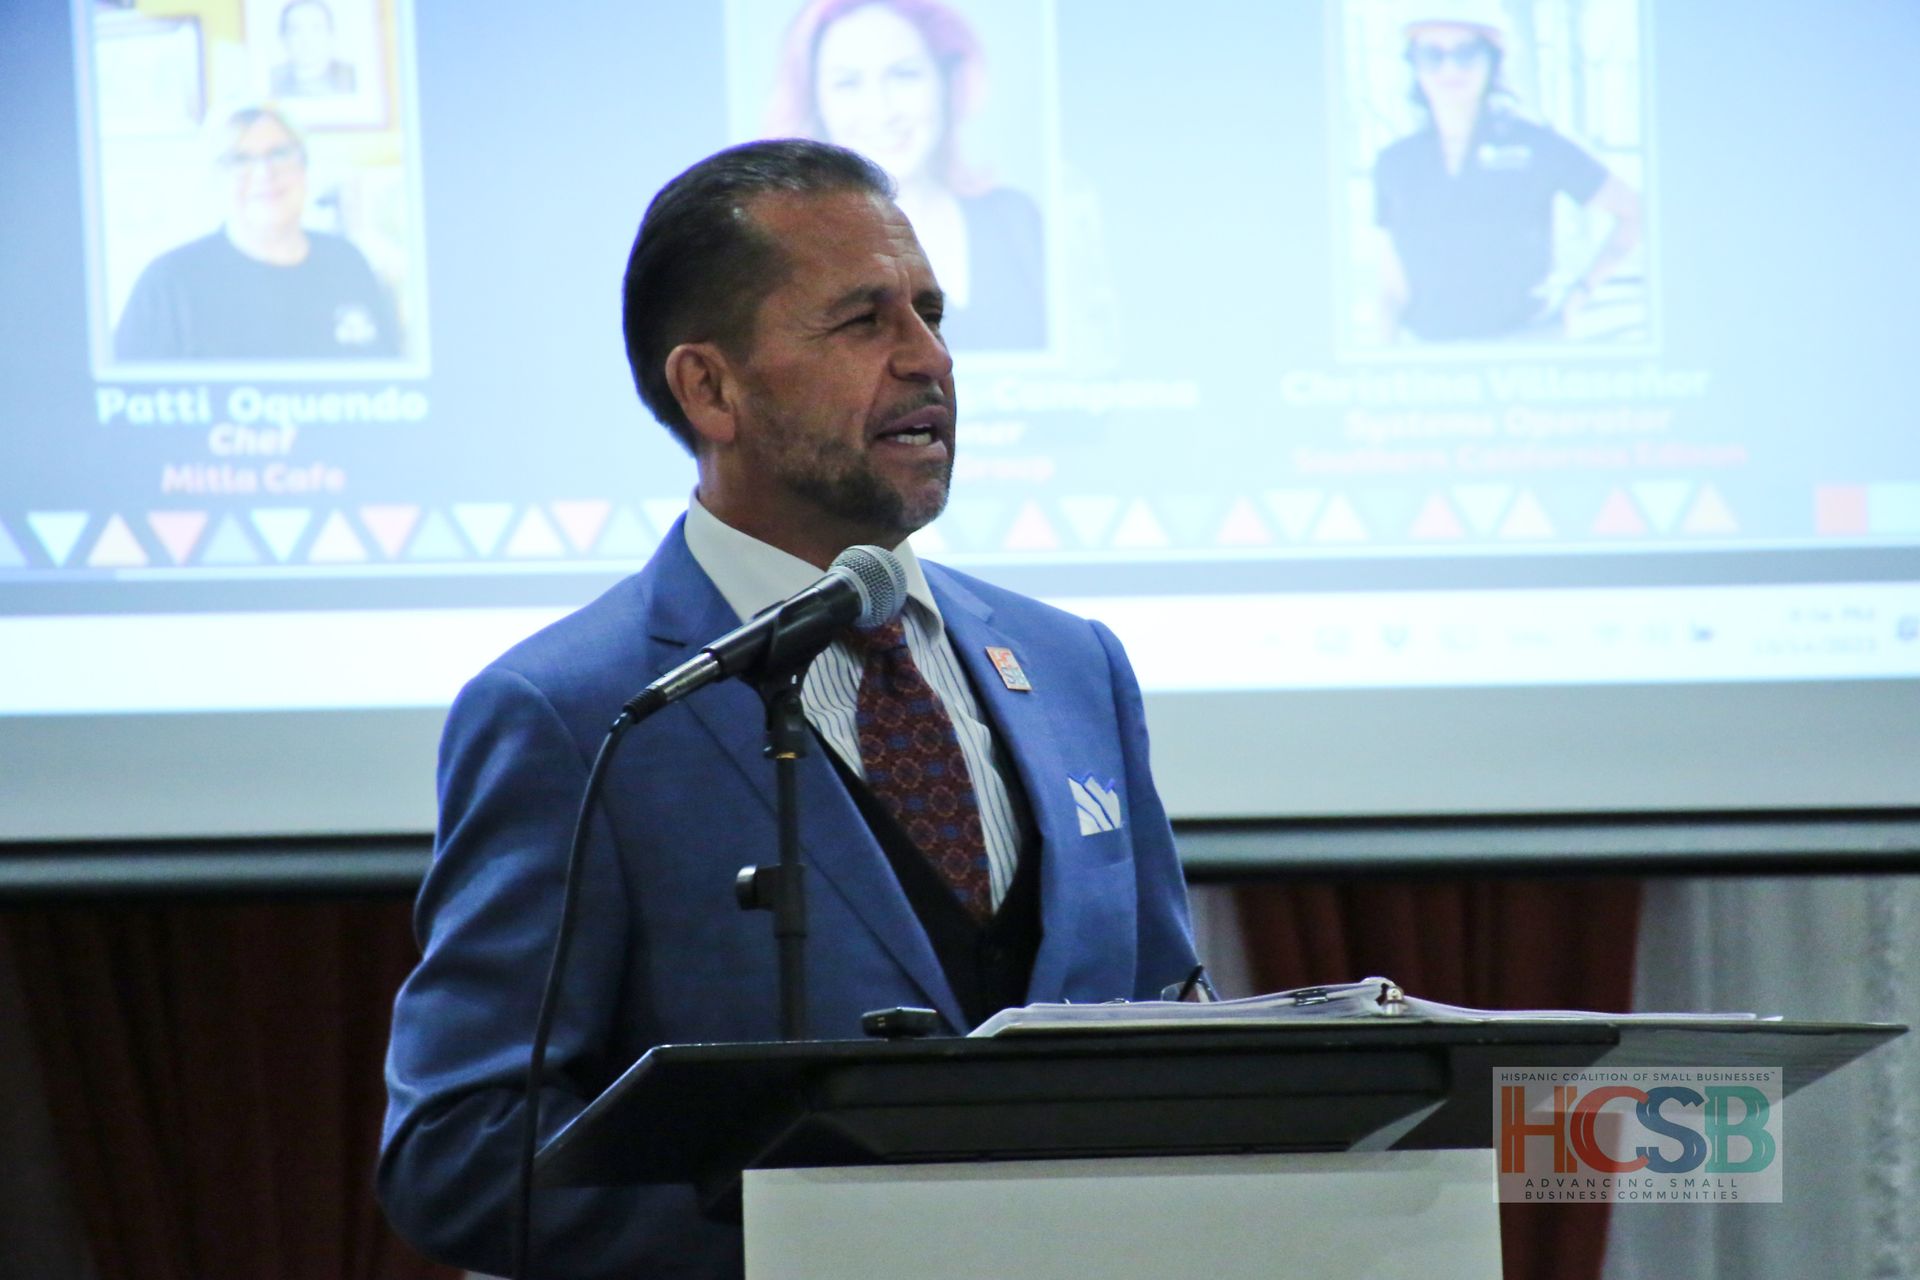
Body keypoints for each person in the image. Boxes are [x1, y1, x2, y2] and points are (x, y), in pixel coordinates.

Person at [377, 140, 1199, 1278]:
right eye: (864, 321)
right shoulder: (574, 714)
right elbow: (459, 1157)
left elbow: (1179, 1034)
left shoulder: (1072, 666)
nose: (930, 359)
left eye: (930, 311)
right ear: (709, 387)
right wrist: (828, 1235)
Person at [765, 0, 1048, 350]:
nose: (881, 110)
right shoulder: (783, 249)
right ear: (815, 102)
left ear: (945, 84)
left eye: (904, 75)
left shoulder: (1017, 221)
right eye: (848, 84)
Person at [1372, 0, 1643, 342]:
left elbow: (1635, 212)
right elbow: (1393, 284)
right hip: (1434, 365)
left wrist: (1579, 294)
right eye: (1432, 55)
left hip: (1529, 354)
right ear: (1414, 64)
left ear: (1492, 60)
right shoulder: (1396, 163)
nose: (1450, 68)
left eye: (1466, 53)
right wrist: (1382, 364)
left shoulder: (1536, 144)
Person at [113, 105, 398, 361]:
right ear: (217, 178)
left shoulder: (347, 263)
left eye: (280, 154)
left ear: (304, 166)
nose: (264, 173)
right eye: (241, 160)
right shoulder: (168, 282)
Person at [269, 0, 358, 97]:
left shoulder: (349, 75)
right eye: (295, 30)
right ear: (283, 37)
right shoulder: (273, 78)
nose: (306, 40)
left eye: (316, 29)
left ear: (331, 34)